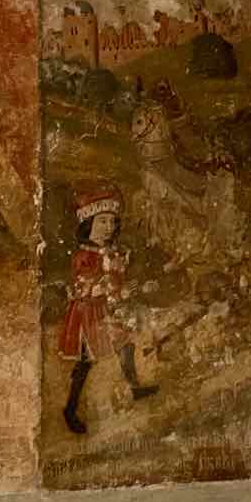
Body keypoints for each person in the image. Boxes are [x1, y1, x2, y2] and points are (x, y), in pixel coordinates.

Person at [59, 185, 158, 434]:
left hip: (107, 310)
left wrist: (125, 287)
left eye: (111, 221)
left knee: (125, 345)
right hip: (88, 314)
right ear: (88, 224)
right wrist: (106, 285)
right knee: (85, 362)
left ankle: (135, 387)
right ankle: (70, 409)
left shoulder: (112, 253)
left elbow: (116, 282)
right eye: (102, 221)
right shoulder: (83, 256)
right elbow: (82, 288)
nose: (108, 227)